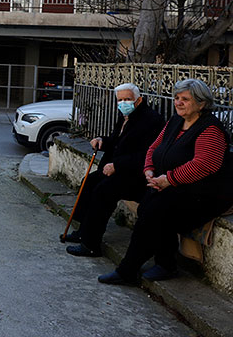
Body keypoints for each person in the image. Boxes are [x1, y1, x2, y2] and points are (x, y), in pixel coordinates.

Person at [99, 79, 233, 285]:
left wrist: (169, 179)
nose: (178, 103)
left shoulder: (210, 130)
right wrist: (149, 171)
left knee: (155, 212)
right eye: (177, 98)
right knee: (147, 207)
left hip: (205, 193)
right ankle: (165, 263)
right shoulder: (175, 122)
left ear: (201, 103)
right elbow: (153, 148)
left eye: (185, 99)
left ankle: (128, 270)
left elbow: (204, 165)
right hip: (174, 185)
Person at [64, 83, 165, 257]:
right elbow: (117, 141)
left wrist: (117, 165)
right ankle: (83, 230)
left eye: (127, 99)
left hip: (137, 176)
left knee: (104, 190)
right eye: (120, 100)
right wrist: (102, 140)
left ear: (138, 100)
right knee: (90, 181)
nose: (123, 103)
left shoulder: (151, 120)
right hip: (120, 170)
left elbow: (147, 154)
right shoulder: (125, 115)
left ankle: (91, 244)